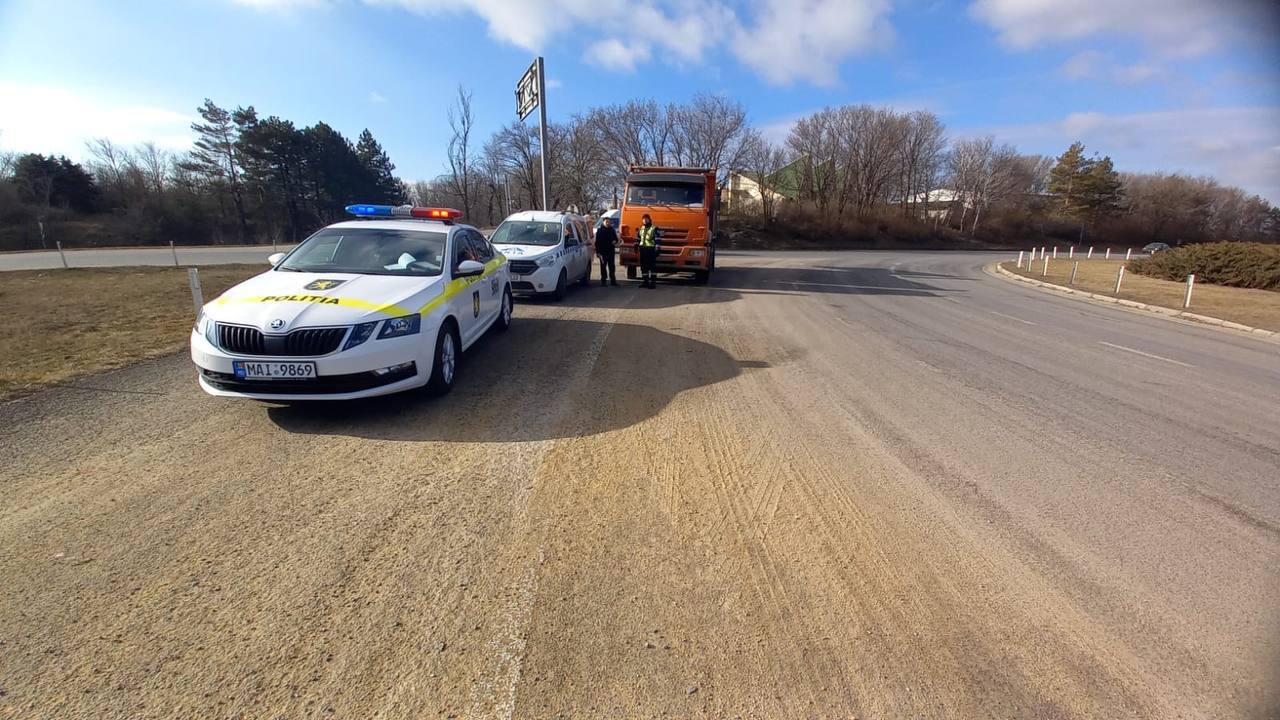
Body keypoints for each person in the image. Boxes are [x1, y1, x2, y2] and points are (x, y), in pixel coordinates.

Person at [636, 213, 661, 289]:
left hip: (651, 250)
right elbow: (638, 238)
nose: (645, 221)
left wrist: (657, 248)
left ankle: (653, 283)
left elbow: (658, 239)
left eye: (646, 219)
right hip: (643, 250)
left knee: (652, 267)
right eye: (643, 219)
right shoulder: (641, 229)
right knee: (644, 267)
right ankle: (645, 282)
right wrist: (635, 245)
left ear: (649, 220)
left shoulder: (654, 228)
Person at [595, 217, 619, 286]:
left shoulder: (612, 230)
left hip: (610, 251)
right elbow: (597, 242)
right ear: (603, 222)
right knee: (603, 267)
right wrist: (598, 252)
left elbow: (616, 239)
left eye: (609, 222)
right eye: (606, 222)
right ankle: (603, 281)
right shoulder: (600, 231)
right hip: (602, 252)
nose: (608, 223)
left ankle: (613, 281)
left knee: (612, 267)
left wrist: (615, 241)